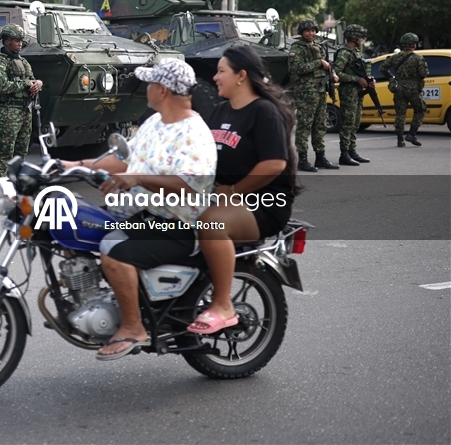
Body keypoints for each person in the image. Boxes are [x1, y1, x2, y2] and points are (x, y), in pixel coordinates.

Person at [62, 60, 216, 360]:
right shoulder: (155, 123)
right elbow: (124, 159)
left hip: (179, 226)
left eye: (149, 84)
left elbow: (191, 184)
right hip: (147, 214)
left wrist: (138, 178)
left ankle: (134, 328)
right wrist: (71, 166)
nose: (146, 89)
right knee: (84, 228)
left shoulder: (193, 133)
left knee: (113, 249)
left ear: (161, 90)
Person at [189, 45, 298, 333]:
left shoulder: (264, 112)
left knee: (210, 224)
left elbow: (274, 164)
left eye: (221, 71)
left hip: (263, 203)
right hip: (225, 196)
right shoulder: (220, 111)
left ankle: (224, 305)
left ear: (241, 76)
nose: (215, 77)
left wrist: (236, 189)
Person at [0, 23, 42, 177]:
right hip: (9, 111)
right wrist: (26, 84)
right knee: (6, 151)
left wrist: (38, 84)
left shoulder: (24, 62)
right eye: (16, 40)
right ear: (6, 41)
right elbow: (3, 87)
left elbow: (32, 80)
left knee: (22, 150)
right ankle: (2, 182)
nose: (20, 44)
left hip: (25, 109)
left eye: (21, 41)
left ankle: (17, 180)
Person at [288, 19, 339, 172]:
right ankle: (302, 159)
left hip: (320, 89)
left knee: (320, 125)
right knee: (305, 126)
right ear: (302, 32)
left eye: (313, 30)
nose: (311, 33)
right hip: (305, 91)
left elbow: (327, 65)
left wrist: (333, 73)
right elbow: (298, 69)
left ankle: (320, 157)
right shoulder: (296, 48)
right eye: (307, 30)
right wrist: (319, 63)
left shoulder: (318, 46)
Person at [333, 25, 373, 165]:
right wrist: (356, 79)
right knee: (348, 122)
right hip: (348, 91)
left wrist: (368, 81)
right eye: (360, 36)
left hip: (357, 91)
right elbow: (336, 72)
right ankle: (344, 154)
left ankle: (352, 151)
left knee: (356, 122)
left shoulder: (355, 51)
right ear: (354, 37)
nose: (362, 39)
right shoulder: (344, 53)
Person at [380, 32, 430, 147]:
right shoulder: (418, 58)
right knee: (420, 109)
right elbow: (424, 74)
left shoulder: (395, 57)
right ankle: (411, 134)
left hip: (399, 88)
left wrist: (391, 77)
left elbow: (382, 68)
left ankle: (400, 140)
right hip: (413, 89)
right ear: (413, 44)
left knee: (400, 113)